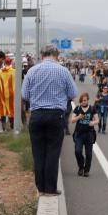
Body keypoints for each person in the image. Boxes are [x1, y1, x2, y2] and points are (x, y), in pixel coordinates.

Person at [21, 44, 77, 196]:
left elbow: (24, 95)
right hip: (55, 115)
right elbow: (73, 94)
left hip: (37, 115)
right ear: (56, 54)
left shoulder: (32, 71)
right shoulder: (63, 71)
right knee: (52, 152)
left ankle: (40, 188)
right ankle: (50, 188)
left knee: (38, 153)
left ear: (42, 54)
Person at [70, 92, 98, 177]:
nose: (84, 102)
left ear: (88, 100)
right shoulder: (77, 109)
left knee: (88, 153)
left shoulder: (92, 109)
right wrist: (79, 117)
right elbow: (72, 120)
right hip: (79, 134)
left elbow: (97, 120)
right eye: (82, 101)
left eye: (85, 100)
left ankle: (86, 170)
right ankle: (81, 167)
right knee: (77, 151)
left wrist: (92, 122)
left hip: (89, 134)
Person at [0, 57, 16, 132]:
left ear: (4, 63)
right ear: (10, 63)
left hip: (1, 93)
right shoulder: (14, 71)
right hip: (11, 93)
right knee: (11, 109)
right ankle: (12, 125)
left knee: (2, 110)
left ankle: (3, 126)